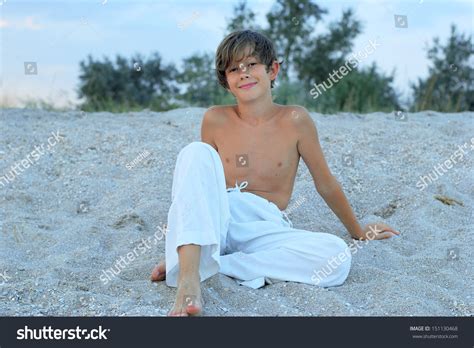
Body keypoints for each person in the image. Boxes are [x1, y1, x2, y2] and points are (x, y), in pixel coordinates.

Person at [150, 30, 400, 316]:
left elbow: (325, 182)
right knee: (195, 152)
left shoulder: (295, 120)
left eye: (252, 64)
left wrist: (357, 231)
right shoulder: (215, 119)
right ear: (226, 81)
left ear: (273, 70)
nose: (243, 73)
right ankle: (189, 280)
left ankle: (213, 262)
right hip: (220, 215)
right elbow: (196, 184)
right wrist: (180, 228)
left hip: (265, 223)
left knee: (337, 256)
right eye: (234, 68)